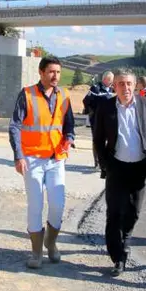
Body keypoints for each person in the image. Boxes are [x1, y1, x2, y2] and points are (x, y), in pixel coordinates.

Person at [93, 69, 146, 277]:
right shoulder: (106, 106)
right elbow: (98, 139)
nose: (126, 88)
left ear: (135, 86)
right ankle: (118, 256)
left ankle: (125, 241)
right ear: (115, 86)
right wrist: (105, 165)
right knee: (114, 213)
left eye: (129, 84)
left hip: (139, 167)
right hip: (116, 166)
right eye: (121, 84)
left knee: (134, 211)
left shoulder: (145, 104)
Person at [9, 56, 75, 269]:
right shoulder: (27, 94)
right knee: (35, 205)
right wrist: (18, 156)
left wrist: (69, 139)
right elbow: (15, 126)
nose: (55, 76)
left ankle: (51, 242)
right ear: (41, 72)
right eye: (51, 72)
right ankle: (36, 251)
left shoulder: (64, 95)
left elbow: (69, 126)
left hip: (56, 159)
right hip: (32, 159)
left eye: (58, 72)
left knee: (58, 204)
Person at [82, 71, 115, 168]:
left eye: (112, 81)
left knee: (109, 139)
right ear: (104, 79)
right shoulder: (95, 88)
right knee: (97, 140)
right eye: (110, 80)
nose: (111, 82)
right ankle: (97, 162)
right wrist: (92, 112)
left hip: (108, 119)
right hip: (96, 120)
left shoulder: (111, 90)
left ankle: (105, 161)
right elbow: (86, 101)